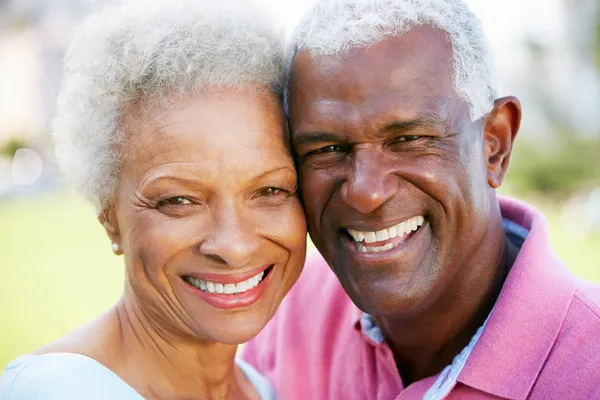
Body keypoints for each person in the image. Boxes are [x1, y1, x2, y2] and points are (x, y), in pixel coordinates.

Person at [242, 0, 600, 398]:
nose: (365, 192)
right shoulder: (293, 310)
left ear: (494, 145)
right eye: (326, 149)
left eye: (409, 140)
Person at [0, 0, 306, 398]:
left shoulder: (265, 389)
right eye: (179, 201)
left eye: (270, 191)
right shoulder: (55, 391)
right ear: (108, 214)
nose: (234, 245)